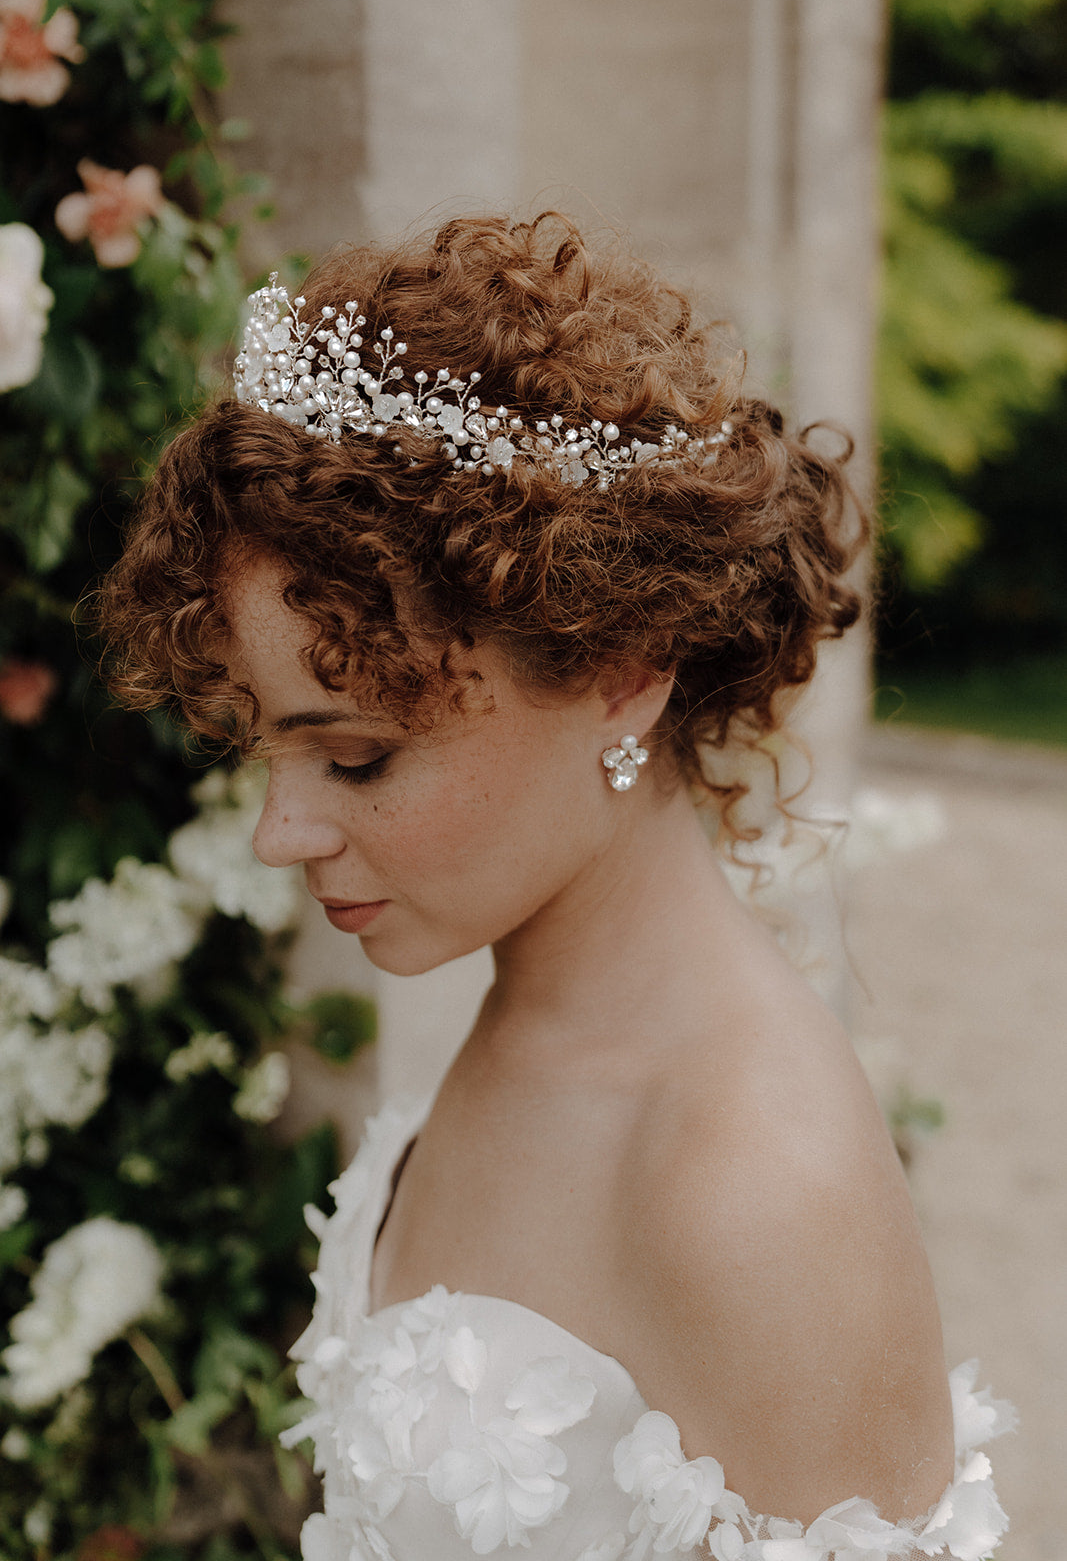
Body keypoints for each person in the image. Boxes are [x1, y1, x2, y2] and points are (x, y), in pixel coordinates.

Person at [101, 213, 1011, 1561]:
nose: (281, 834)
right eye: (268, 751)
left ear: (622, 672)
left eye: (355, 757)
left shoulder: (752, 1188)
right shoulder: (534, 1011)